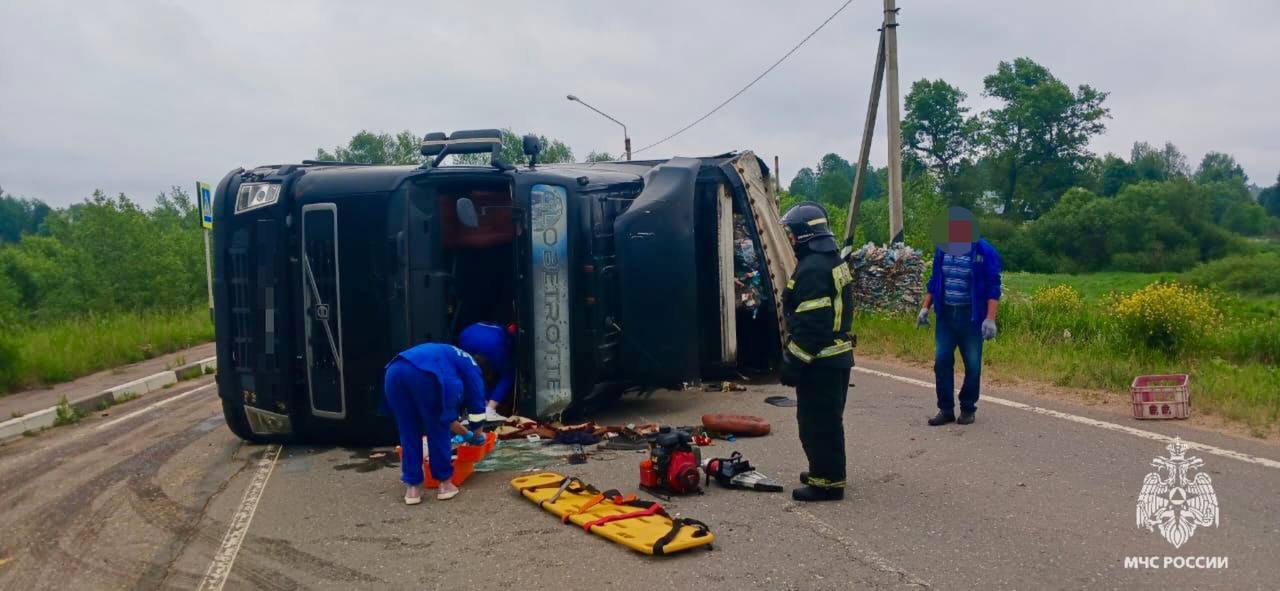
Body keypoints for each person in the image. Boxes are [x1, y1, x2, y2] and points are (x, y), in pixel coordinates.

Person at [778, 201, 854, 502]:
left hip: (820, 361)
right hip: (835, 358)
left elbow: (812, 326)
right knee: (827, 420)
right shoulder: (831, 260)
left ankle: (827, 483)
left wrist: (792, 363)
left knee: (817, 424)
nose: (790, 239)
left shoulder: (812, 269)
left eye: (792, 234)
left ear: (804, 235)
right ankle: (822, 470)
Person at [916, 226, 1002, 426]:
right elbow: (935, 280)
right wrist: (925, 308)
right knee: (942, 362)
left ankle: (968, 408)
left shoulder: (983, 251)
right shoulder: (943, 249)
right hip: (946, 316)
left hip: (971, 317)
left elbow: (993, 285)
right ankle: (946, 409)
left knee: (972, 364)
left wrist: (990, 318)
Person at [383, 343, 488, 504]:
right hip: (426, 374)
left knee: (408, 430)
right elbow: (477, 405)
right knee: (438, 431)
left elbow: (447, 417)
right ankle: (445, 485)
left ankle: (412, 489)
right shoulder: (472, 367)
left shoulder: (449, 357)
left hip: (394, 372)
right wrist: (478, 434)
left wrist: (465, 433)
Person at [458, 322, 515, 422]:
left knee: (473, 373)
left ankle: (476, 409)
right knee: (508, 375)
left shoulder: (496, 327)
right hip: (494, 342)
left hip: (467, 334)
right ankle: (489, 409)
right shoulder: (509, 336)